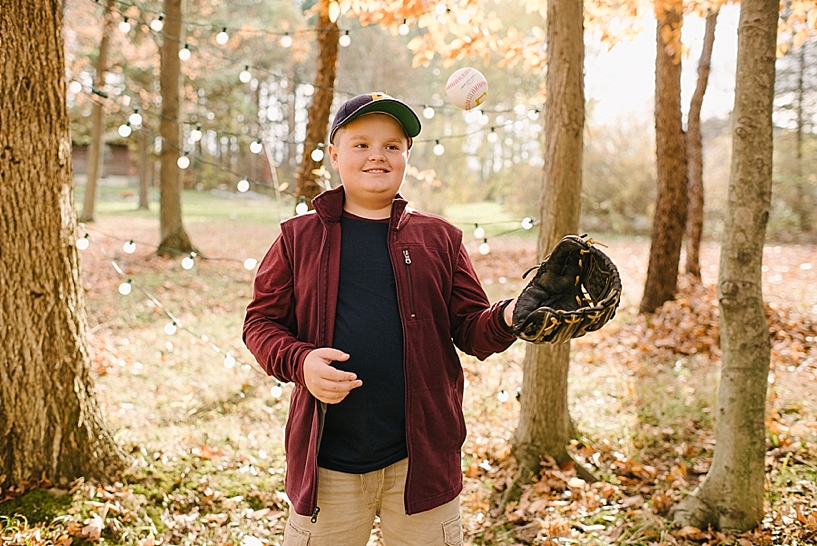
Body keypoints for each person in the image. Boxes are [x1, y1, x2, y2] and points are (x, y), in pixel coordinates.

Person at [243, 92, 517, 546]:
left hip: (421, 463)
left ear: (407, 156)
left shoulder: (440, 238)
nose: (377, 155)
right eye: (361, 144)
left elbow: (472, 328)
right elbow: (260, 323)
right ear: (335, 155)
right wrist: (301, 362)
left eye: (392, 145)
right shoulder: (298, 238)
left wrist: (510, 316)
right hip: (328, 460)